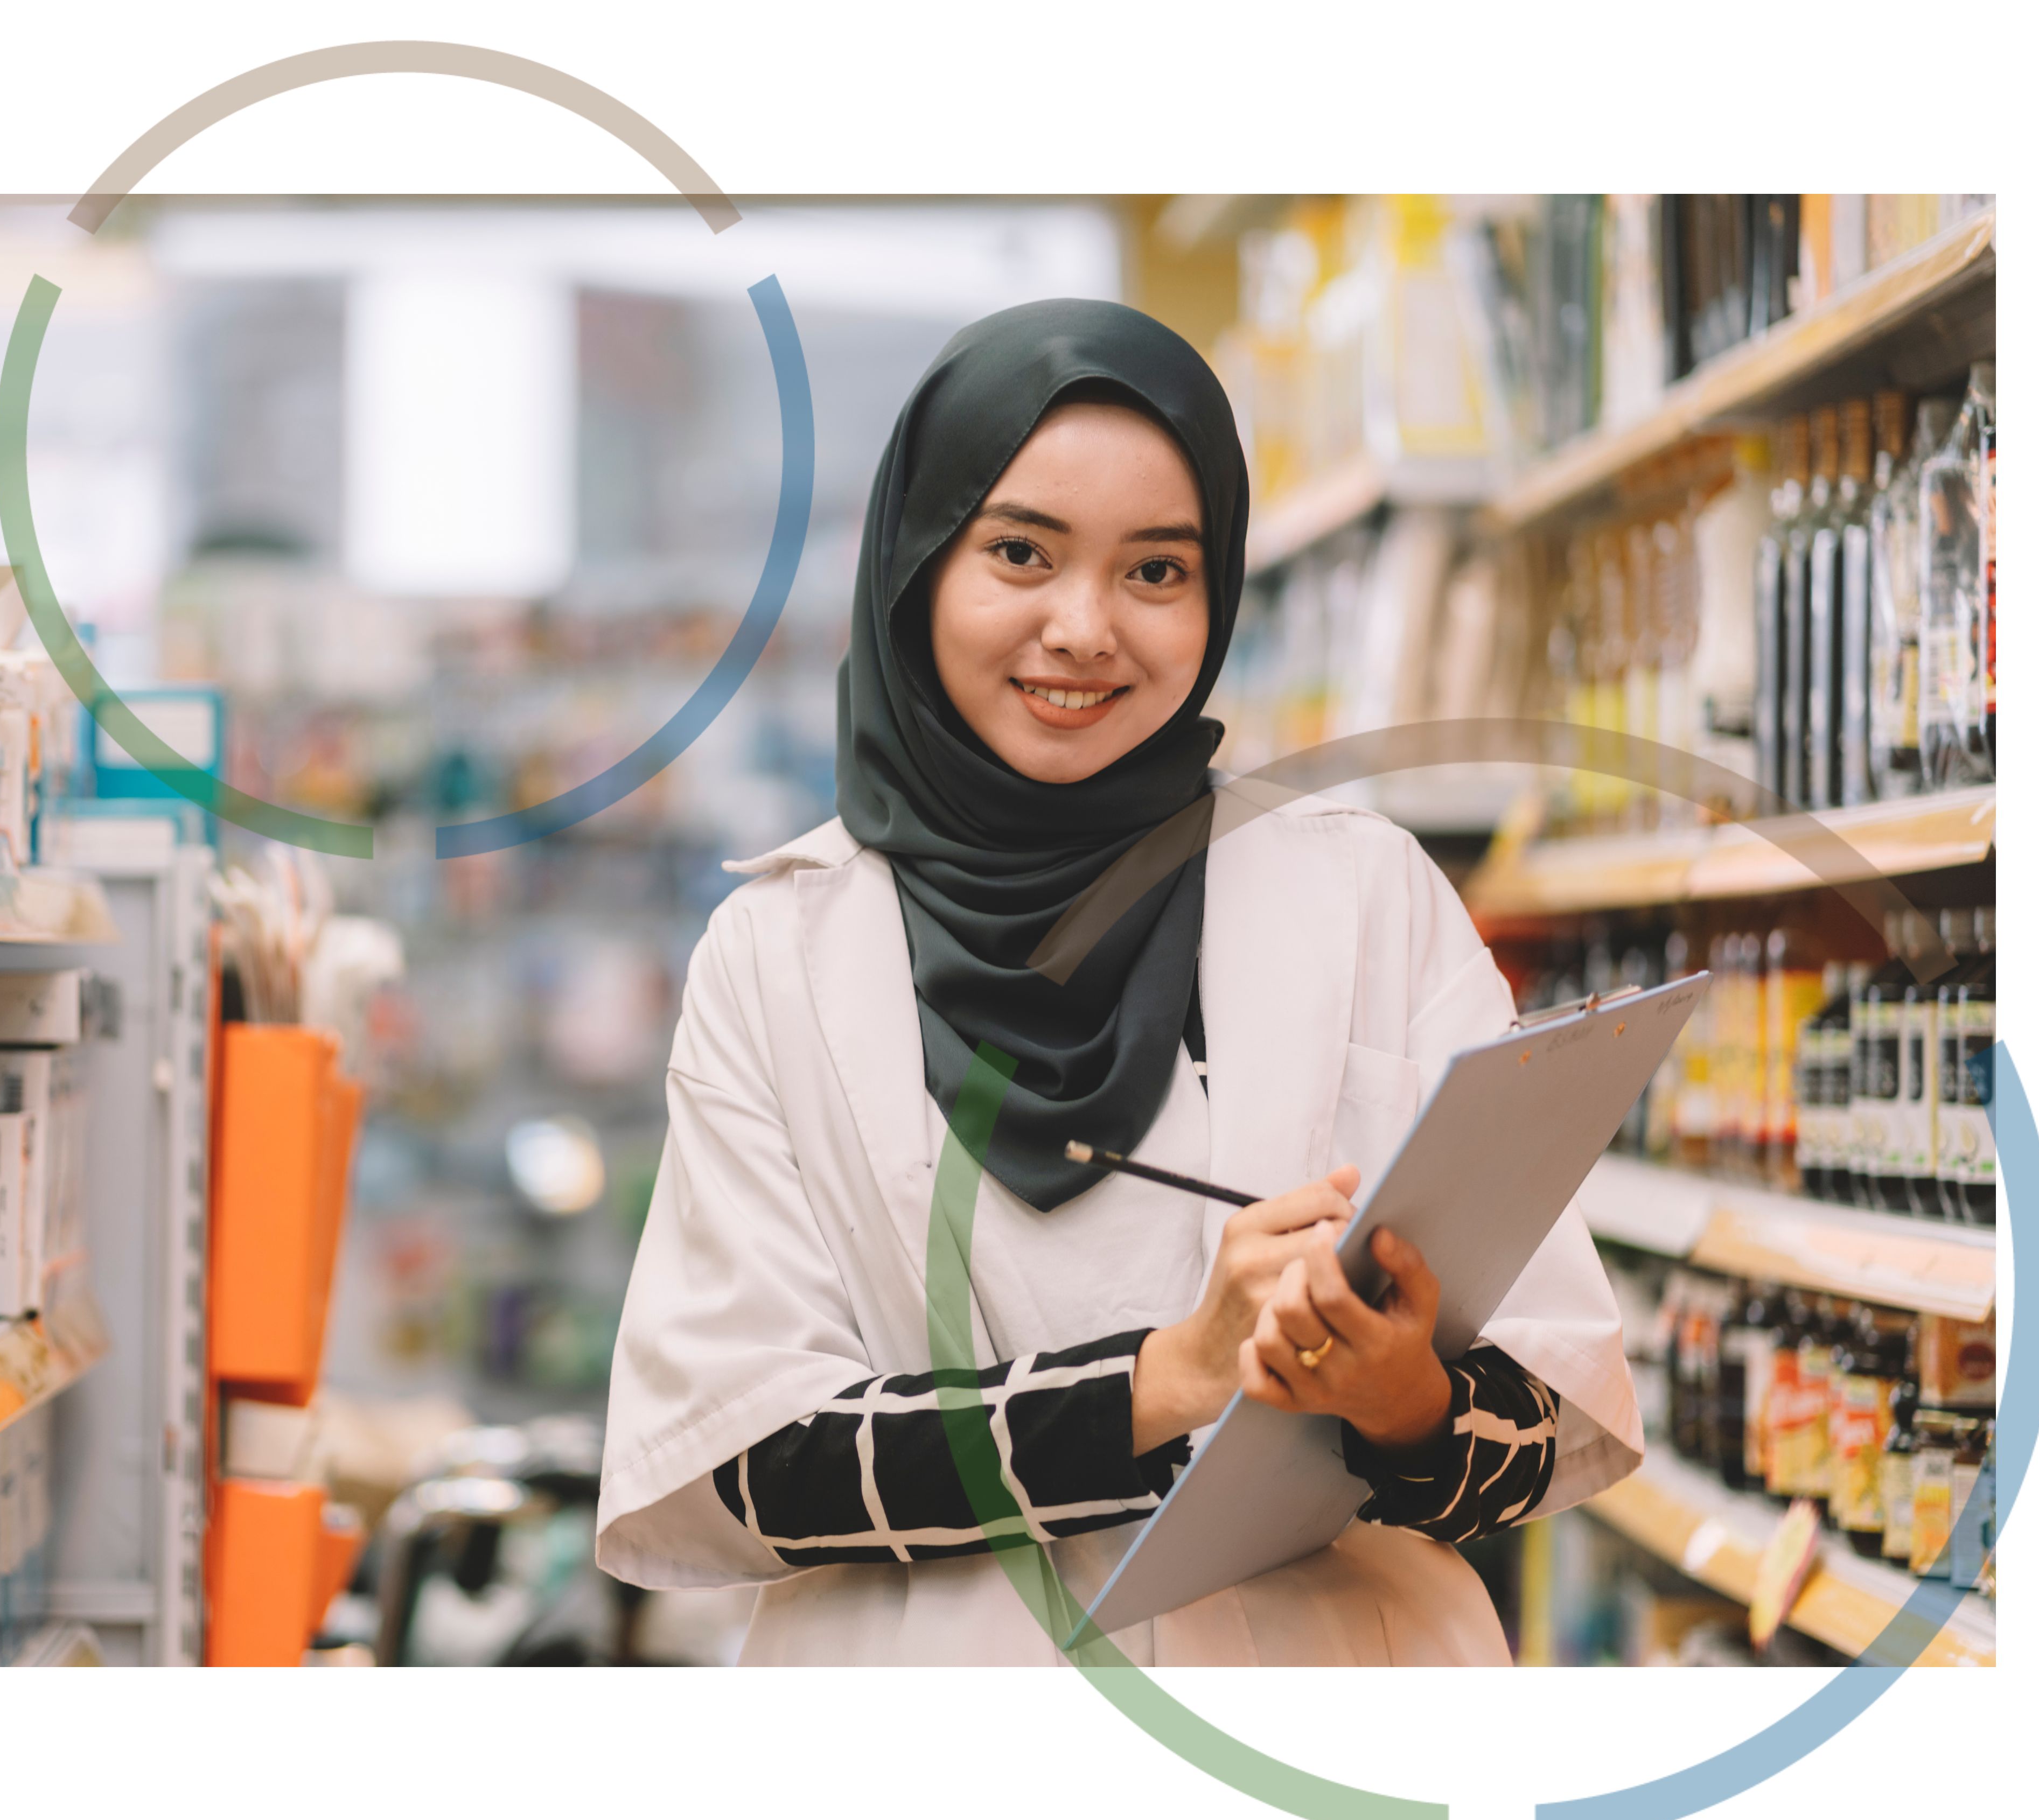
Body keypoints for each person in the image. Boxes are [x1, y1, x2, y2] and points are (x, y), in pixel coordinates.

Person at [595, 299, 1637, 1665]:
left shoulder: (1360, 890)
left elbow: (1552, 1415)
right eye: (1020, 553)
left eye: (1158, 572)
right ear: (917, 566)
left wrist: (1407, 1400)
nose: (1085, 630)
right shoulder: (779, 953)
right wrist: (1170, 1378)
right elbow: (742, 1463)